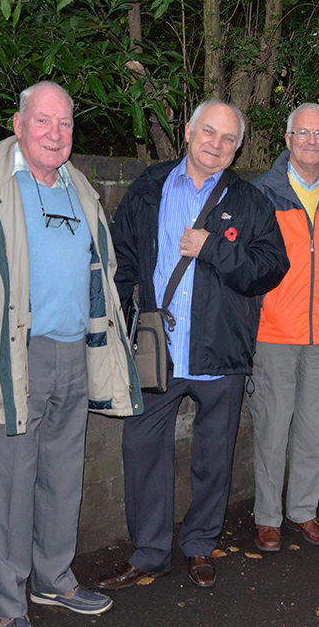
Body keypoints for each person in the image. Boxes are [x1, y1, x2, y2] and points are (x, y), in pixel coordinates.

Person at [0, 81, 139, 627]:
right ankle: (8, 605)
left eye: (65, 123)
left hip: (73, 354)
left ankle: (54, 579)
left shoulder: (78, 187)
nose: (55, 133)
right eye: (43, 121)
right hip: (11, 359)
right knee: (9, 487)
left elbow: (101, 273)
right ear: (19, 125)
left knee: (63, 478)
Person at [96, 99, 289, 590]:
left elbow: (271, 268)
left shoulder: (250, 201)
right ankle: (149, 553)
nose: (216, 144)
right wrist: (114, 327)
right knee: (141, 449)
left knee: (214, 457)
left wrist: (214, 248)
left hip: (220, 350)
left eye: (228, 139)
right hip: (155, 348)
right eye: (208, 132)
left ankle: (201, 544)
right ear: (188, 131)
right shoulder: (150, 187)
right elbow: (120, 259)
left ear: (237, 147)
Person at [247, 104, 319, 552]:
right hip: (273, 331)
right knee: (272, 429)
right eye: (303, 133)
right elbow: (248, 263)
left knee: (312, 429)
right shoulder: (262, 192)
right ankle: (267, 517)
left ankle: (303, 511)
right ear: (288, 139)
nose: (311, 141)